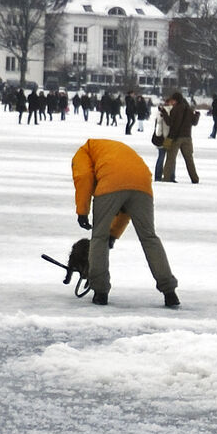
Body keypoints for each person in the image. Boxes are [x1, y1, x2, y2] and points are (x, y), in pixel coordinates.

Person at [72, 137, 180, 308]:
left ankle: (100, 292)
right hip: (142, 182)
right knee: (149, 237)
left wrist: (82, 211)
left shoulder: (83, 152)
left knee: (99, 237)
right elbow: (126, 207)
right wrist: (114, 234)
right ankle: (169, 292)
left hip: (110, 182)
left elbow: (84, 177)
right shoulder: (112, 151)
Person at [153, 90, 194, 182]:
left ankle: (165, 177)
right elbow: (194, 121)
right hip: (176, 137)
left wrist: (163, 113)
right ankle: (168, 176)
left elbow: (166, 123)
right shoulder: (185, 109)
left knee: (169, 157)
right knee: (172, 157)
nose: (171, 103)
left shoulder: (175, 110)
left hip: (171, 137)